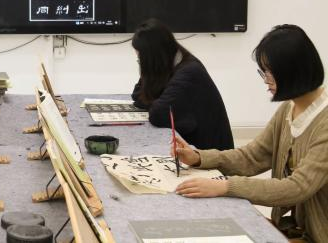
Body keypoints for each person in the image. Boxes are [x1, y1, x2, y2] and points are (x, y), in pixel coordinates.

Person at [174, 25, 328, 242]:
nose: (265, 79)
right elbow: (253, 156)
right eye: (263, 71)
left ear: (293, 71)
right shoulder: (288, 109)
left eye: (269, 72)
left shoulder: (323, 122)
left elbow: (297, 187)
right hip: (290, 229)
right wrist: (199, 157)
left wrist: (225, 186)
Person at [131, 18, 234, 150]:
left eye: (142, 59)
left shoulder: (189, 72)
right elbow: (137, 95)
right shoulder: (169, 63)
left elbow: (158, 115)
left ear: (154, 58)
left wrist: (154, 99)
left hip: (209, 154)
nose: (141, 64)